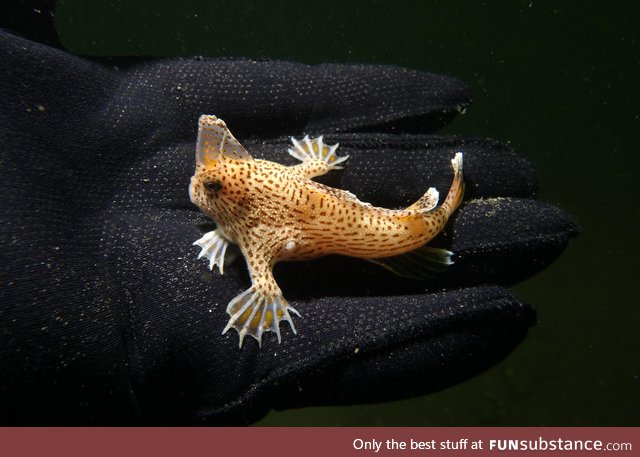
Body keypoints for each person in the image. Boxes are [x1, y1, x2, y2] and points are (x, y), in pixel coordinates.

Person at [0, 18, 577, 424]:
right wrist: (311, 167)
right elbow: (302, 180)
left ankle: (441, 203)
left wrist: (262, 296)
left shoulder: (262, 224)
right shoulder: (271, 184)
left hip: (393, 229)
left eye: (217, 180)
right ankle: (440, 201)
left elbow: (265, 278)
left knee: (405, 229)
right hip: (335, 207)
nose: (199, 182)